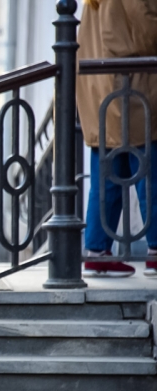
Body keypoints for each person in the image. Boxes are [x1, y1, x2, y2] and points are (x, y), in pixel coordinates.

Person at [76, 0, 157, 277]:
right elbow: (148, 33)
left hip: (103, 93)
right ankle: (156, 251)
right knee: (149, 175)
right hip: (133, 91)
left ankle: (97, 253)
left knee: (106, 178)